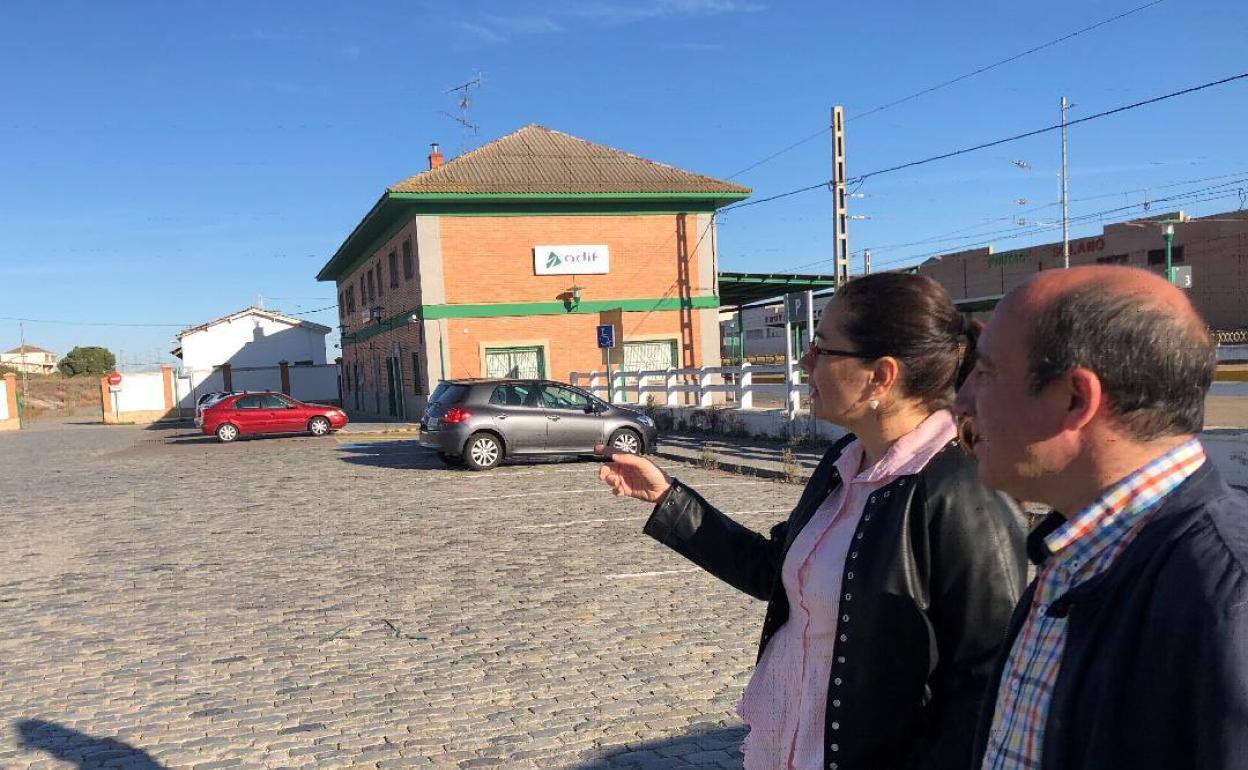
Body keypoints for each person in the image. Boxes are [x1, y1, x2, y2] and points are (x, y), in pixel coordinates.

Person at [598, 273, 1027, 770]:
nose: (805, 361)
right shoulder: (845, 459)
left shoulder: (961, 490)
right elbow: (773, 570)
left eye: (822, 347)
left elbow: (989, 684)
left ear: (880, 376)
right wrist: (668, 497)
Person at [955, 265, 1248, 770]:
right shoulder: (1078, 554)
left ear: (1075, 399)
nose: (960, 401)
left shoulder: (1226, 597)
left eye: (986, 373)